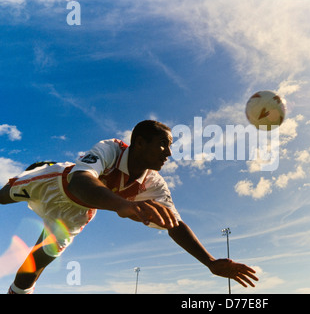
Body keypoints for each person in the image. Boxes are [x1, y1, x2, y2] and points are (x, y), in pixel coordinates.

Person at [0, 120, 258, 294]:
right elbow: (80, 182)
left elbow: (174, 225)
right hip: (57, 184)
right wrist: (121, 204)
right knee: (2, 197)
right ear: (140, 143)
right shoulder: (111, 148)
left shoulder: (154, 184)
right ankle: (39, 166)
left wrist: (210, 262)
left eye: (169, 146)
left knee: (37, 263)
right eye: (163, 144)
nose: (168, 152)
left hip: (77, 212)